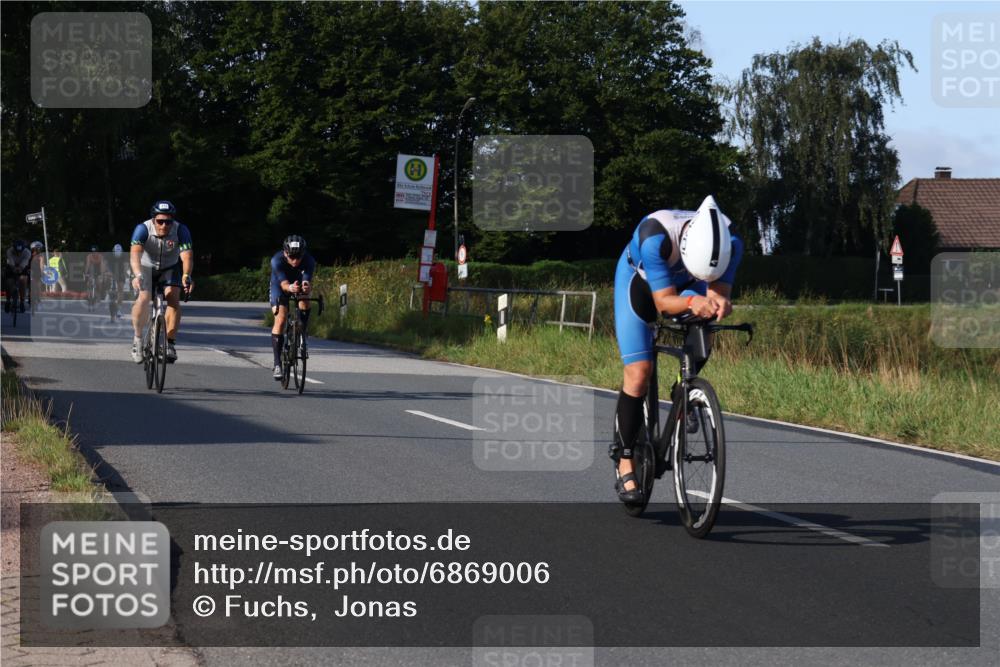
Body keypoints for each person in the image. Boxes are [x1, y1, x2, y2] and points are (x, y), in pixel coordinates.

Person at [611, 195, 744, 503]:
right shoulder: (655, 237)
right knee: (639, 373)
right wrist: (690, 301)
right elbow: (663, 303)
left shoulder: (732, 242)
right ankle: (625, 459)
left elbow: (718, 292)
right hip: (640, 283)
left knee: (706, 323)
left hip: (689, 283)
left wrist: (719, 302)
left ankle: (685, 393)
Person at [129, 200, 194, 363]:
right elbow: (135, 255)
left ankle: (170, 343)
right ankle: (137, 339)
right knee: (143, 298)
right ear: (153, 220)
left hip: (170, 268)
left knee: (173, 297)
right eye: (160, 221)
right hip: (145, 267)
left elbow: (187, 256)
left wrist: (187, 275)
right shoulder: (142, 229)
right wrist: (137, 275)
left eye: (168, 222)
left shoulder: (181, 230)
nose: (164, 225)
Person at [269, 235, 315, 380]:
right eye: (291, 257)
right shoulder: (276, 260)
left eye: (298, 257)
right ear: (285, 253)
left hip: (298, 284)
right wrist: (290, 287)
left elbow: (307, 280)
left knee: (305, 300)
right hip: (280, 286)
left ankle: (303, 331)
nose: (295, 261)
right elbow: (283, 285)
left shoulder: (309, 260)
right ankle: (277, 364)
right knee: (281, 319)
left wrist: (306, 286)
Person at [4, 239, 31, 313]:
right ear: (14, 249)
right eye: (17, 251)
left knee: (23, 279)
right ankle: (8, 300)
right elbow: (10, 261)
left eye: (20, 251)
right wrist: (13, 268)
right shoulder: (9, 251)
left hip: (22, 266)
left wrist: (21, 268)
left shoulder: (27, 252)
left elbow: (25, 262)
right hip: (11, 266)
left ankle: (22, 301)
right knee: (9, 282)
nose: (19, 253)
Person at [108, 244, 128, 320]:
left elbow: (126, 266)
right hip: (112, 273)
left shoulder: (124, 256)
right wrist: (107, 273)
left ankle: (118, 309)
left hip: (121, 274)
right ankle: (110, 296)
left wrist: (125, 274)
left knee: (120, 291)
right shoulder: (110, 256)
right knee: (112, 289)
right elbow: (106, 265)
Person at [28, 241, 45, 311]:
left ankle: (37, 301)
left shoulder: (39, 256)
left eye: (39, 249)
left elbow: (42, 265)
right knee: (33, 288)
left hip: (36, 272)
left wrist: (42, 272)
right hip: (31, 272)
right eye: (37, 248)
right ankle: (34, 301)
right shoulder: (31, 255)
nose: (38, 250)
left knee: (36, 287)